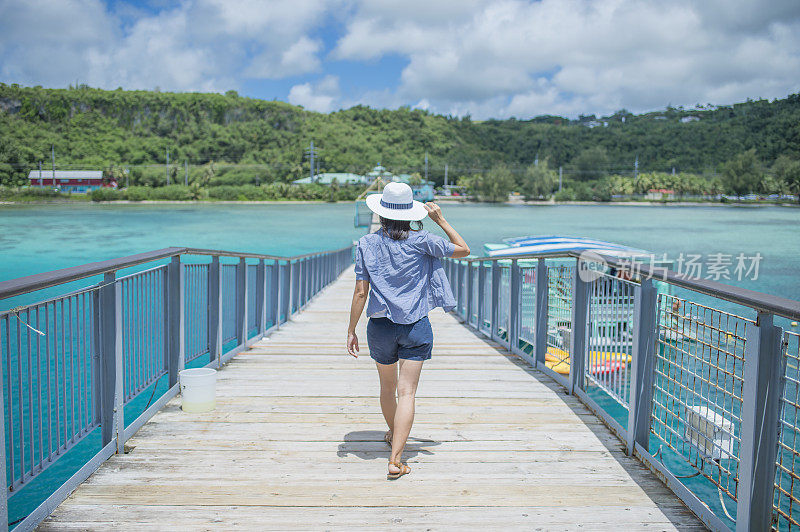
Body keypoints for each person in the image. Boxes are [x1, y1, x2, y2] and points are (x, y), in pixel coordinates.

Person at [346, 182, 470, 479]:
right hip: (415, 325)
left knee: (388, 389)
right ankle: (396, 458)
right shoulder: (424, 240)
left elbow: (361, 292)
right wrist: (440, 220)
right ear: (411, 213)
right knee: (408, 392)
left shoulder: (366, 244)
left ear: (381, 213)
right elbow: (463, 250)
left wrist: (351, 330)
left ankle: (393, 433)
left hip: (380, 326)